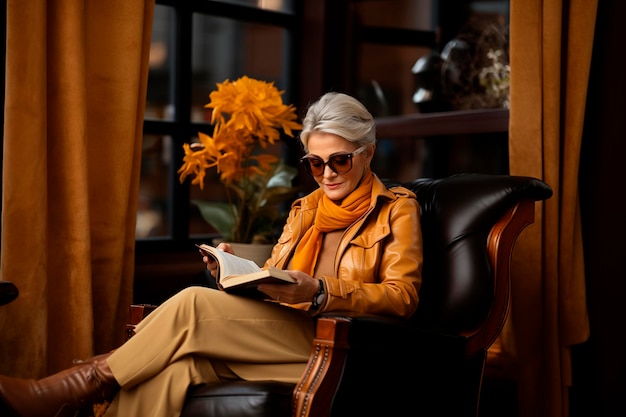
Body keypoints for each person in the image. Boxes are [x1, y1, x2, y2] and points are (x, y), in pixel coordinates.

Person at [0, 92, 423, 417]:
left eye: (340, 160)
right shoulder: (305, 209)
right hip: (282, 333)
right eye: (315, 163)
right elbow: (274, 276)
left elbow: (402, 296)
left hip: (341, 344)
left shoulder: (397, 209)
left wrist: (321, 291)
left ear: (367, 153)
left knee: (192, 304)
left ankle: (63, 390)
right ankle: (77, 391)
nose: (327, 173)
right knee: (175, 367)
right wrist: (235, 269)